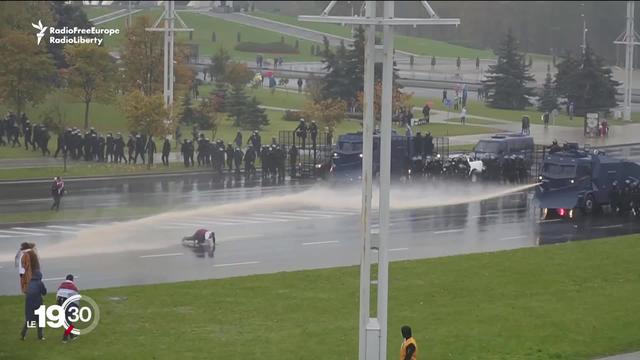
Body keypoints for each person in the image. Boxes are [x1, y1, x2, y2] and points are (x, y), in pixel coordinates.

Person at [21, 270, 47, 341]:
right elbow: (44, 292)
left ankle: (23, 334)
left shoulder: (28, 283)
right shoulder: (40, 283)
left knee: (29, 319)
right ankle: (40, 336)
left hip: (29, 303)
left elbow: (25, 291)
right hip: (38, 302)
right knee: (40, 319)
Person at [56, 274, 79, 342]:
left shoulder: (61, 286)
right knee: (68, 322)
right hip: (69, 305)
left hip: (61, 305)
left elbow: (57, 296)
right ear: (72, 280)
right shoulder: (73, 287)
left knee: (67, 321)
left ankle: (72, 335)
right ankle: (65, 338)